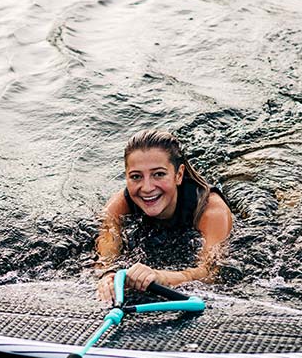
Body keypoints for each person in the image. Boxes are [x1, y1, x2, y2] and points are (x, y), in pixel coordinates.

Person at [95, 129, 233, 301]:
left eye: (158, 174)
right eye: (136, 176)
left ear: (179, 174)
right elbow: (106, 258)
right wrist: (108, 276)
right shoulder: (117, 207)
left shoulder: (212, 210)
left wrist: (161, 277)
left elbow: (210, 272)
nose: (146, 188)